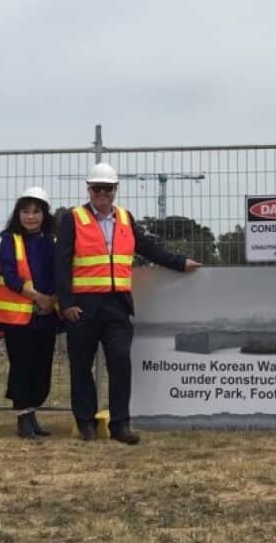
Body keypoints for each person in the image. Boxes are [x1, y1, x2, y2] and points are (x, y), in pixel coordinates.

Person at [55, 162, 200, 444]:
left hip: (117, 305)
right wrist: (66, 303)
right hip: (82, 306)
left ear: (115, 190)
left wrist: (180, 262)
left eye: (107, 189)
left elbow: (147, 247)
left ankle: (120, 424)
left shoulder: (125, 218)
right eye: (97, 188)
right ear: (89, 189)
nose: (102, 194)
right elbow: (60, 264)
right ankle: (85, 422)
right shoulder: (73, 219)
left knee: (120, 362)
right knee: (80, 366)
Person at [0, 186, 62, 438]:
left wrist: (52, 299)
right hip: (19, 318)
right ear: (18, 214)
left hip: (45, 317)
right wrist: (38, 297)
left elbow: (60, 272)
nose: (30, 217)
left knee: (41, 368)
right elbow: (9, 274)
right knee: (21, 367)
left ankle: (32, 413)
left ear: (44, 214)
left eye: (35, 212)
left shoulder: (51, 241)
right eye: (25, 211)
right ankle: (23, 417)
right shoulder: (10, 240)